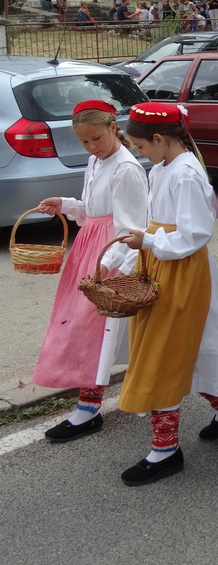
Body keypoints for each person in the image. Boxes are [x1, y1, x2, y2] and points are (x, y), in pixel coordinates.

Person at [114, 103, 218, 486]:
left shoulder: (185, 174)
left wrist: (148, 241)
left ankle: (166, 450)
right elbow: (159, 224)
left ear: (159, 138)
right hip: (163, 264)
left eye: (141, 146)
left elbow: (195, 235)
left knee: (163, 353)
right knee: (179, 349)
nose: (140, 153)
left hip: (182, 271)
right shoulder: (162, 168)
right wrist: (137, 252)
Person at [33, 101, 149, 442]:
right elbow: (91, 211)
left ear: (114, 127)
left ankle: (89, 407)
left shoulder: (126, 169)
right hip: (90, 248)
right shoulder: (96, 161)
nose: (91, 147)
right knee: (83, 327)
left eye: (96, 138)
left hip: (109, 254)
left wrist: (108, 265)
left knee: (91, 329)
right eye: (84, 141)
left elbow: (131, 228)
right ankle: (90, 403)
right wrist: (65, 204)